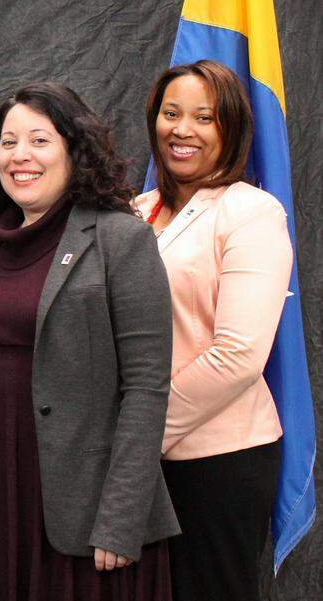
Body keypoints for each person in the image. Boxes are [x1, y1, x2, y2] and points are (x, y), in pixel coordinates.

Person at [0, 82, 179, 600]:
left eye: (39, 140)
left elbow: (147, 387)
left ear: (74, 149)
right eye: (8, 142)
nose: (20, 155)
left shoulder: (119, 239)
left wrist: (121, 518)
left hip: (85, 511)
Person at [135, 60, 291, 601]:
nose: (182, 129)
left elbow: (239, 355)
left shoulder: (252, 213)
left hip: (219, 464)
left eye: (205, 117)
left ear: (232, 129)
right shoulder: (135, 211)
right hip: (138, 465)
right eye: (171, 113)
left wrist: (137, 435)